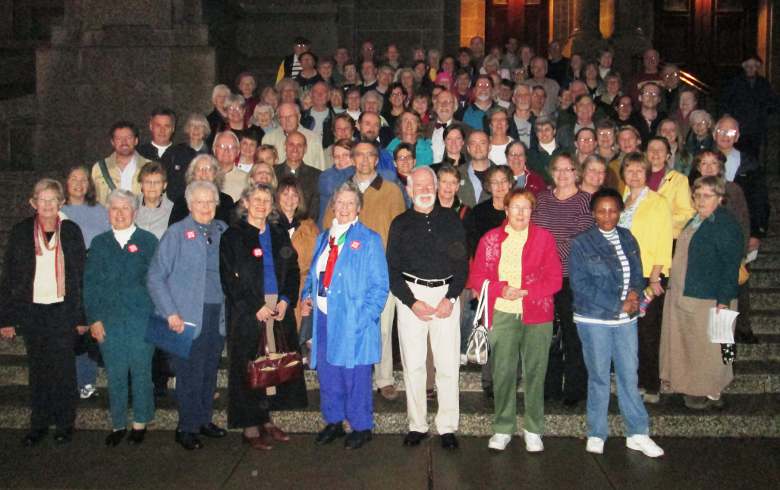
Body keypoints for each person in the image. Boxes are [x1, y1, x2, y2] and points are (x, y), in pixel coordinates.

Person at [568, 188, 665, 458]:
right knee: (599, 376)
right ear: (593, 213)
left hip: (626, 319)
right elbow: (581, 286)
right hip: (594, 318)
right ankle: (597, 432)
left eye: (612, 210)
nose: (607, 216)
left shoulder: (627, 237)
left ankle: (637, 432)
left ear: (620, 212)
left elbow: (637, 272)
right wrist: (617, 303)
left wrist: (635, 292)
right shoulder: (581, 243)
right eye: (601, 210)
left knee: (628, 374)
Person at [468, 188, 562, 451]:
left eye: (526, 208)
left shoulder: (544, 238)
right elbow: (478, 277)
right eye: (515, 207)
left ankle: (533, 428)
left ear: (532, 211)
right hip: (502, 312)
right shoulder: (491, 240)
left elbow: (554, 279)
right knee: (503, 372)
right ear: (506, 210)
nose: (521, 213)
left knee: (535, 372)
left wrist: (528, 292)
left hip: (538, 313)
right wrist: (502, 289)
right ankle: (503, 427)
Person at [301, 181, 389, 450]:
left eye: (351, 203)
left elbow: (380, 287)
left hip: (354, 321)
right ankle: (334, 421)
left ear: (359, 208)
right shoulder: (323, 238)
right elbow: (314, 275)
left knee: (356, 375)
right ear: (333, 205)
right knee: (328, 372)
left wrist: (364, 319)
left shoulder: (369, 240)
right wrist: (307, 296)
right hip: (324, 319)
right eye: (340, 202)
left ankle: (362, 426)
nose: (345, 208)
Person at [220, 183, 307, 450]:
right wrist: (254, 304)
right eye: (255, 199)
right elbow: (229, 278)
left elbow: (292, 269)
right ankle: (249, 426)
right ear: (245, 202)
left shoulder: (278, 232)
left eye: (266, 200)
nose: (261, 204)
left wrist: (285, 300)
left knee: (272, 364)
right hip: (248, 309)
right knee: (248, 365)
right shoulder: (233, 236)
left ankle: (266, 419)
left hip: (276, 306)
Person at [0, 178, 86, 446]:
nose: (48, 204)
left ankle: (64, 423)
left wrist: (82, 316)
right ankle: (38, 423)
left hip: (62, 310)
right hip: (32, 310)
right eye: (42, 199)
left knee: (63, 369)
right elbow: (9, 275)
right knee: (38, 369)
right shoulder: (21, 231)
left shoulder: (70, 230)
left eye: (53, 200)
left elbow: (81, 275)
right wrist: (7, 317)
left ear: (61, 203)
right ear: (33, 202)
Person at [387, 166, 468, 450]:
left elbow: (462, 264)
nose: (423, 190)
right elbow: (392, 269)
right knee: (414, 365)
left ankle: (447, 426)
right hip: (412, 297)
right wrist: (412, 302)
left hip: (446, 295)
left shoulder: (451, 220)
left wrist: (451, 297)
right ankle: (417, 424)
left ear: (435, 188)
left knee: (447, 365)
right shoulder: (399, 223)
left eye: (428, 185)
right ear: (408, 191)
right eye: (417, 186)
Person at [322, 141, 407, 400]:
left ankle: (384, 378)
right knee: (348, 325)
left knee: (380, 325)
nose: (363, 160)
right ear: (352, 158)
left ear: (376, 160)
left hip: (378, 271)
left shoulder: (391, 190)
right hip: (344, 274)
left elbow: (400, 232)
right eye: (358, 155)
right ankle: (353, 376)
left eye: (370, 155)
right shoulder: (342, 190)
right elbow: (328, 228)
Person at [147, 180, 229, 450]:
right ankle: (186, 427)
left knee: (208, 371)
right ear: (190, 204)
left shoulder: (222, 231)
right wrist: (170, 313)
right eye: (200, 202)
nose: (205, 207)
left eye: (210, 202)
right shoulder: (177, 233)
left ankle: (203, 420)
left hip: (216, 314)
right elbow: (156, 277)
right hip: (186, 315)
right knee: (188, 374)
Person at [660, 176, 744, 409]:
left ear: (720, 198)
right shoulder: (696, 220)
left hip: (709, 297)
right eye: (697, 195)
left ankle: (711, 389)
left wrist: (724, 300)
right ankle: (689, 385)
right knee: (690, 345)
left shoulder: (726, 224)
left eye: (707, 196)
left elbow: (730, 265)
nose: (700, 200)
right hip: (685, 292)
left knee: (712, 348)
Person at [84, 189, 158, 446]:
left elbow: (157, 281)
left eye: (124, 208)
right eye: (114, 208)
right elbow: (90, 284)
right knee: (115, 373)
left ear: (135, 212)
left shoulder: (148, 241)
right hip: (108, 320)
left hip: (141, 319)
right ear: (108, 213)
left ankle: (140, 422)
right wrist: (94, 318)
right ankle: (117, 424)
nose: (119, 213)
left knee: (141, 371)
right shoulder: (99, 243)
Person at [531, 154, 594, 406]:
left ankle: (575, 390)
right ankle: (550, 387)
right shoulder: (543, 199)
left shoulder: (584, 201)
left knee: (573, 335)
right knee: (547, 334)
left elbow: (578, 240)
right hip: (543, 279)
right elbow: (534, 232)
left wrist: (548, 257)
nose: (562, 174)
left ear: (576, 172)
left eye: (568, 169)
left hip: (572, 279)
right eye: (557, 169)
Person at [619, 152, 673, 403]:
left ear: (647, 173)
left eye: (640, 170)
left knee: (648, 331)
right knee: (629, 332)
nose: (635, 174)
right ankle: (635, 381)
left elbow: (664, 240)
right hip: (623, 275)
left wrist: (655, 278)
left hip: (647, 276)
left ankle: (651, 384)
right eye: (629, 170)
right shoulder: (621, 199)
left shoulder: (658, 201)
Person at [61, 165, 110, 400]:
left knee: (89, 326)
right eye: (74, 179)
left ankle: (87, 380)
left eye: (83, 180)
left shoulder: (100, 210)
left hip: (94, 274)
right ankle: (67, 379)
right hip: (66, 275)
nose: (79, 184)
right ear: (65, 183)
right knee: (69, 329)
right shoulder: (58, 211)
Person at [275, 177, 320, 331]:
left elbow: (319, 261)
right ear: (277, 197)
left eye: (294, 195)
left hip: (304, 289)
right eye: (285, 194)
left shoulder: (309, 227)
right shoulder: (269, 225)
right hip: (277, 290)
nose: (290, 199)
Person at [719, 54, 780, 159]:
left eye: (754, 66)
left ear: (757, 67)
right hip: (740, 125)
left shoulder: (763, 83)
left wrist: (765, 112)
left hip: (756, 127)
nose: (751, 69)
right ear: (744, 67)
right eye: (748, 66)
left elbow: (771, 101)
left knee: (753, 155)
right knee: (738, 154)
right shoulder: (735, 82)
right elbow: (726, 100)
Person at [645, 137, 695, 239]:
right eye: (651, 149)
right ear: (645, 154)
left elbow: (687, 213)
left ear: (668, 155)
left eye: (660, 149)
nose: (655, 152)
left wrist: (660, 221)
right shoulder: (635, 178)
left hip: (667, 237)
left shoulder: (679, 180)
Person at [91, 121, 151, 205]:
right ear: (112, 142)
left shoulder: (149, 167)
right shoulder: (99, 168)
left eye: (129, 138)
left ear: (136, 141)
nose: (124, 142)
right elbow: (92, 201)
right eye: (119, 138)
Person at [169, 154, 235, 227]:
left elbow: (231, 232)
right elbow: (174, 231)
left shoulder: (226, 201)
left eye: (208, 169)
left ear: (215, 174)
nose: (204, 173)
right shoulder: (182, 201)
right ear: (193, 174)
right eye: (199, 169)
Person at [274, 131, 322, 222]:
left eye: (299, 145)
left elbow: (314, 211)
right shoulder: (272, 172)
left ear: (305, 149)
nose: (295, 149)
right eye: (291, 144)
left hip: (303, 231)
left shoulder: (316, 176)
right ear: (285, 146)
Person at [166, 113, 212, 202]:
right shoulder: (175, 152)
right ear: (187, 129)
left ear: (205, 130)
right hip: (178, 202)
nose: (196, 129)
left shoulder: (212, 154)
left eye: (200, 126)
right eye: (192, 125)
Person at [135, 162, 174, 239]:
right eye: (148, 182)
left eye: (157, 182)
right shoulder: (130, 206)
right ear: (141, 185)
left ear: (164, 185)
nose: (152, 186)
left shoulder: (173, 211)